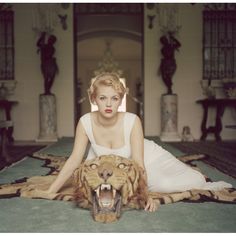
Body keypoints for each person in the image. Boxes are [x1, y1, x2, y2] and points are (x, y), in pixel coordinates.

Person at [45, 72, 232, 212]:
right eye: (103, 98)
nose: (109, 104)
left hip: (149, 158)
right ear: (94, 99)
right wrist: (51, 190)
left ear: (120, 100)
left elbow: (139, 162)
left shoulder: (132, 120)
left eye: (114, 98)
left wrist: (146, 195)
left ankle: (196, 176)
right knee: (94, 183)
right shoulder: (85, 121)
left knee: (164, 185)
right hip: (116, 166)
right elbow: (75, 159)